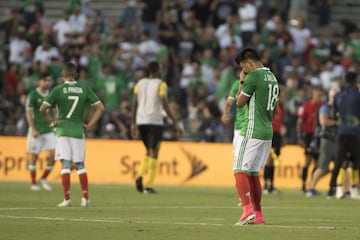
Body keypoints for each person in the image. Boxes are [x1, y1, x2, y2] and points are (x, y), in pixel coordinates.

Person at [40, 62, 105, 207]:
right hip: (77, 130)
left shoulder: (58, 90)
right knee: (81, 164)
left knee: (66, 164)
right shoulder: (84, 88)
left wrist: (52, 122)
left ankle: (67, 199)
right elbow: (100, 108)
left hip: (62, 130)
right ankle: (85, 198)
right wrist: (90, 124)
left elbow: (42, 109)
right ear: (76, 75)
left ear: (62, 75)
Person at [233, 48, 279, 225]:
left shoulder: (253, 77)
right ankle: (258, 215)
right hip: (268, 130)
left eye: (244, 67)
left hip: (253, 129)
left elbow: (239, 103)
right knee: (252, 174)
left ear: (249, 63)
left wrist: (242, 82)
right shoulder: (272, 77)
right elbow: (276, 106)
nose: (243, 70)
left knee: (239, 169)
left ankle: (246, 211)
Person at [131, 61, 181, 194]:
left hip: (141, 121)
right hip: (155, 121)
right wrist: (175, 121)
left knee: (149, 150)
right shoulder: (161, 84)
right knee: (154, 152)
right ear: (158, 70)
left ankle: (140, 176)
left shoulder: (139, 83)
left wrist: (132, 123)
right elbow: (164, 103)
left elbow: (134, 103)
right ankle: (148, 185)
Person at [329, 71, 360, 199]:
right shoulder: (358, 95)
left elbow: (333, 113)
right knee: (356, 162)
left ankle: (334, 189)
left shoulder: (338, 96)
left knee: (339, 161)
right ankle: (354, 190)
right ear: (355, 80)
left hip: (341, 132)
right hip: (355, 132)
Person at [306, 87, 339, 197]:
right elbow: (324, 121)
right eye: (335, 95)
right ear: (331, 96)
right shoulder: (325, 108)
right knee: (322, 168)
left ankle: (342, 189)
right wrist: (338, 122)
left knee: (343, 166)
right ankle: (311, 188)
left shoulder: (339, 108)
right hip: (327, 140)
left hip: (338, 140)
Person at [25, 72, 56, 191]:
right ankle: (33, 183)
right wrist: (33, 128)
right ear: (39, 81)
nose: (48, 82)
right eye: (45, 80)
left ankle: (43, 178)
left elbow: (53, 111)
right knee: (34, 157)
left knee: (54, 153)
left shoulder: (52, 94)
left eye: (49, 80)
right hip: (36, 129)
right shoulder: (33, 95)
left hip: (48, 129)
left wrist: (54, 124)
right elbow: (29, 113)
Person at [296, 87, 323, 193]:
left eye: (321, 96)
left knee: (317, 163)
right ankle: (303, 185)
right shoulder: (305, 107)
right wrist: (299, 138)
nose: (320, 98)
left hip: (318, 136)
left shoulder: (321, 107)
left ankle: (312, 186)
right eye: (318, 96)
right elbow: (299, 122)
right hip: (308, 136)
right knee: (307, 161)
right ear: (313, 96)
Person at [263, 95, 284, 194]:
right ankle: (266, 185)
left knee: (273, 161)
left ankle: (271, 185)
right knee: (268, 160)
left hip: (277, 136)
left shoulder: (280, 109)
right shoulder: (269, 109)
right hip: (270, 134)